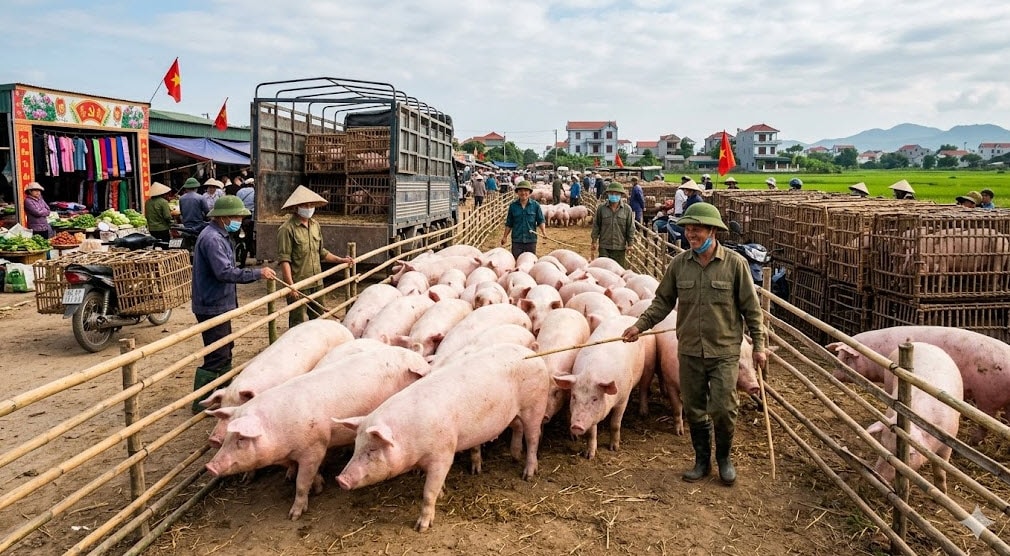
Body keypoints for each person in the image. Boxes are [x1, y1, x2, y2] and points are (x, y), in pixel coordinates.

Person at [621, 203, 766, 486]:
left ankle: (724, 458)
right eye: (687, 229)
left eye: (696, 229)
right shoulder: (679, 265)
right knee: (695, 408)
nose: (690, 234)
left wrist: (759, 345)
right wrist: (639, 326)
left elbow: (752, 309)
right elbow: (662, 302)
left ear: (712, 231)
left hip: (724, 350)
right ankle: (702, 461)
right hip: (688, 349)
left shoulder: (735, 265)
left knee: (724, 408)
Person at [190, 195, 277, 412]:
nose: (239, 219)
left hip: (219, 301)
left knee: (225, 348)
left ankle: (223, 394)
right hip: (212, 303)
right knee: (217, 353)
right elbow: (224, 272)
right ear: (224, 217)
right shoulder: (212, 239)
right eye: (237, 216)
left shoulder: (221, 235)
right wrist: (257, 273)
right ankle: (201, 401)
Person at [277, 185, 354, 328]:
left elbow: (321, 252)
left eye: (311, 204)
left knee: (319, 318)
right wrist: (291, 285)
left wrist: (340, 260)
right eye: (305, 205)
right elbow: (284, 260)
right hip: (299, 282)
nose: (309, 207)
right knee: (297, 321)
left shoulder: (315, 225)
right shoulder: (287, 229)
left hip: (317, 281)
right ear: (296, 207)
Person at [591, 182, 635, 267]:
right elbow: (596, 225)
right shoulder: (601, 208)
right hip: (604, 246)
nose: (614, 196)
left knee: (618, 272)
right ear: (607, 194)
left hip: (619, 247)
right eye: (611, 193)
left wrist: (630, 244)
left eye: (616, 194)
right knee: (604, 271)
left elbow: (630, 228)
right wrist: (594, 241)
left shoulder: (627, 210)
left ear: (621, 195)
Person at [500, 180, 546, 258]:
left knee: (530, 260)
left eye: (526, 191)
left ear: (530, 192)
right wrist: (505, 237)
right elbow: (509, 223)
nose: (523, 193)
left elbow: (540, 220)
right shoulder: (513, 206)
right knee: (516, 260)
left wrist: (543, 232)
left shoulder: (535, 206)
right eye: (520, 191)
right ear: (517, 192)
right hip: (517, 240)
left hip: (530, 240)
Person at [236, 178, 257, 258]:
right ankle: (252, 253)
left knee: (241, 236)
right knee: (251, 236)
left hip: (241, 216)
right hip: (251, 216)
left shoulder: (239, 192)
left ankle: (240, 254)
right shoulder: (256, 192)